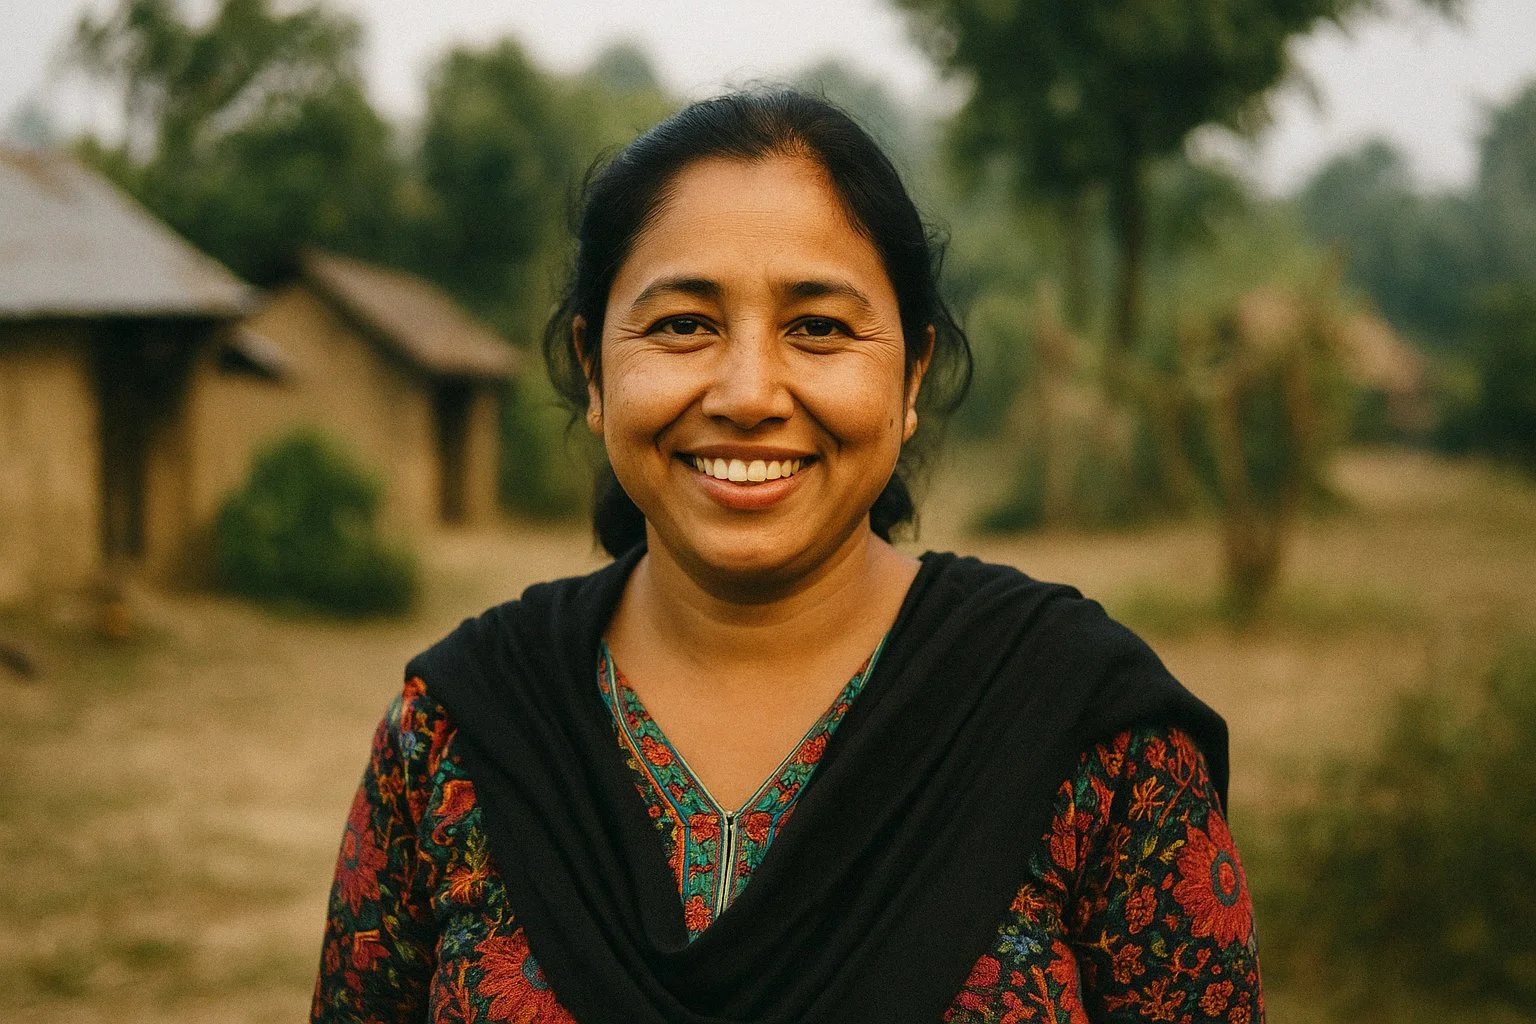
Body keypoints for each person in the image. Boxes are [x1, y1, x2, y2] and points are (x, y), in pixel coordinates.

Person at [311, 91, 1262, 1024]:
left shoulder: (1084, 730)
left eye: (819, 328)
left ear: (912, 374)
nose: (749, 393)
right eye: (684, 324)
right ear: (594, 368)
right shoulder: (457, 735)